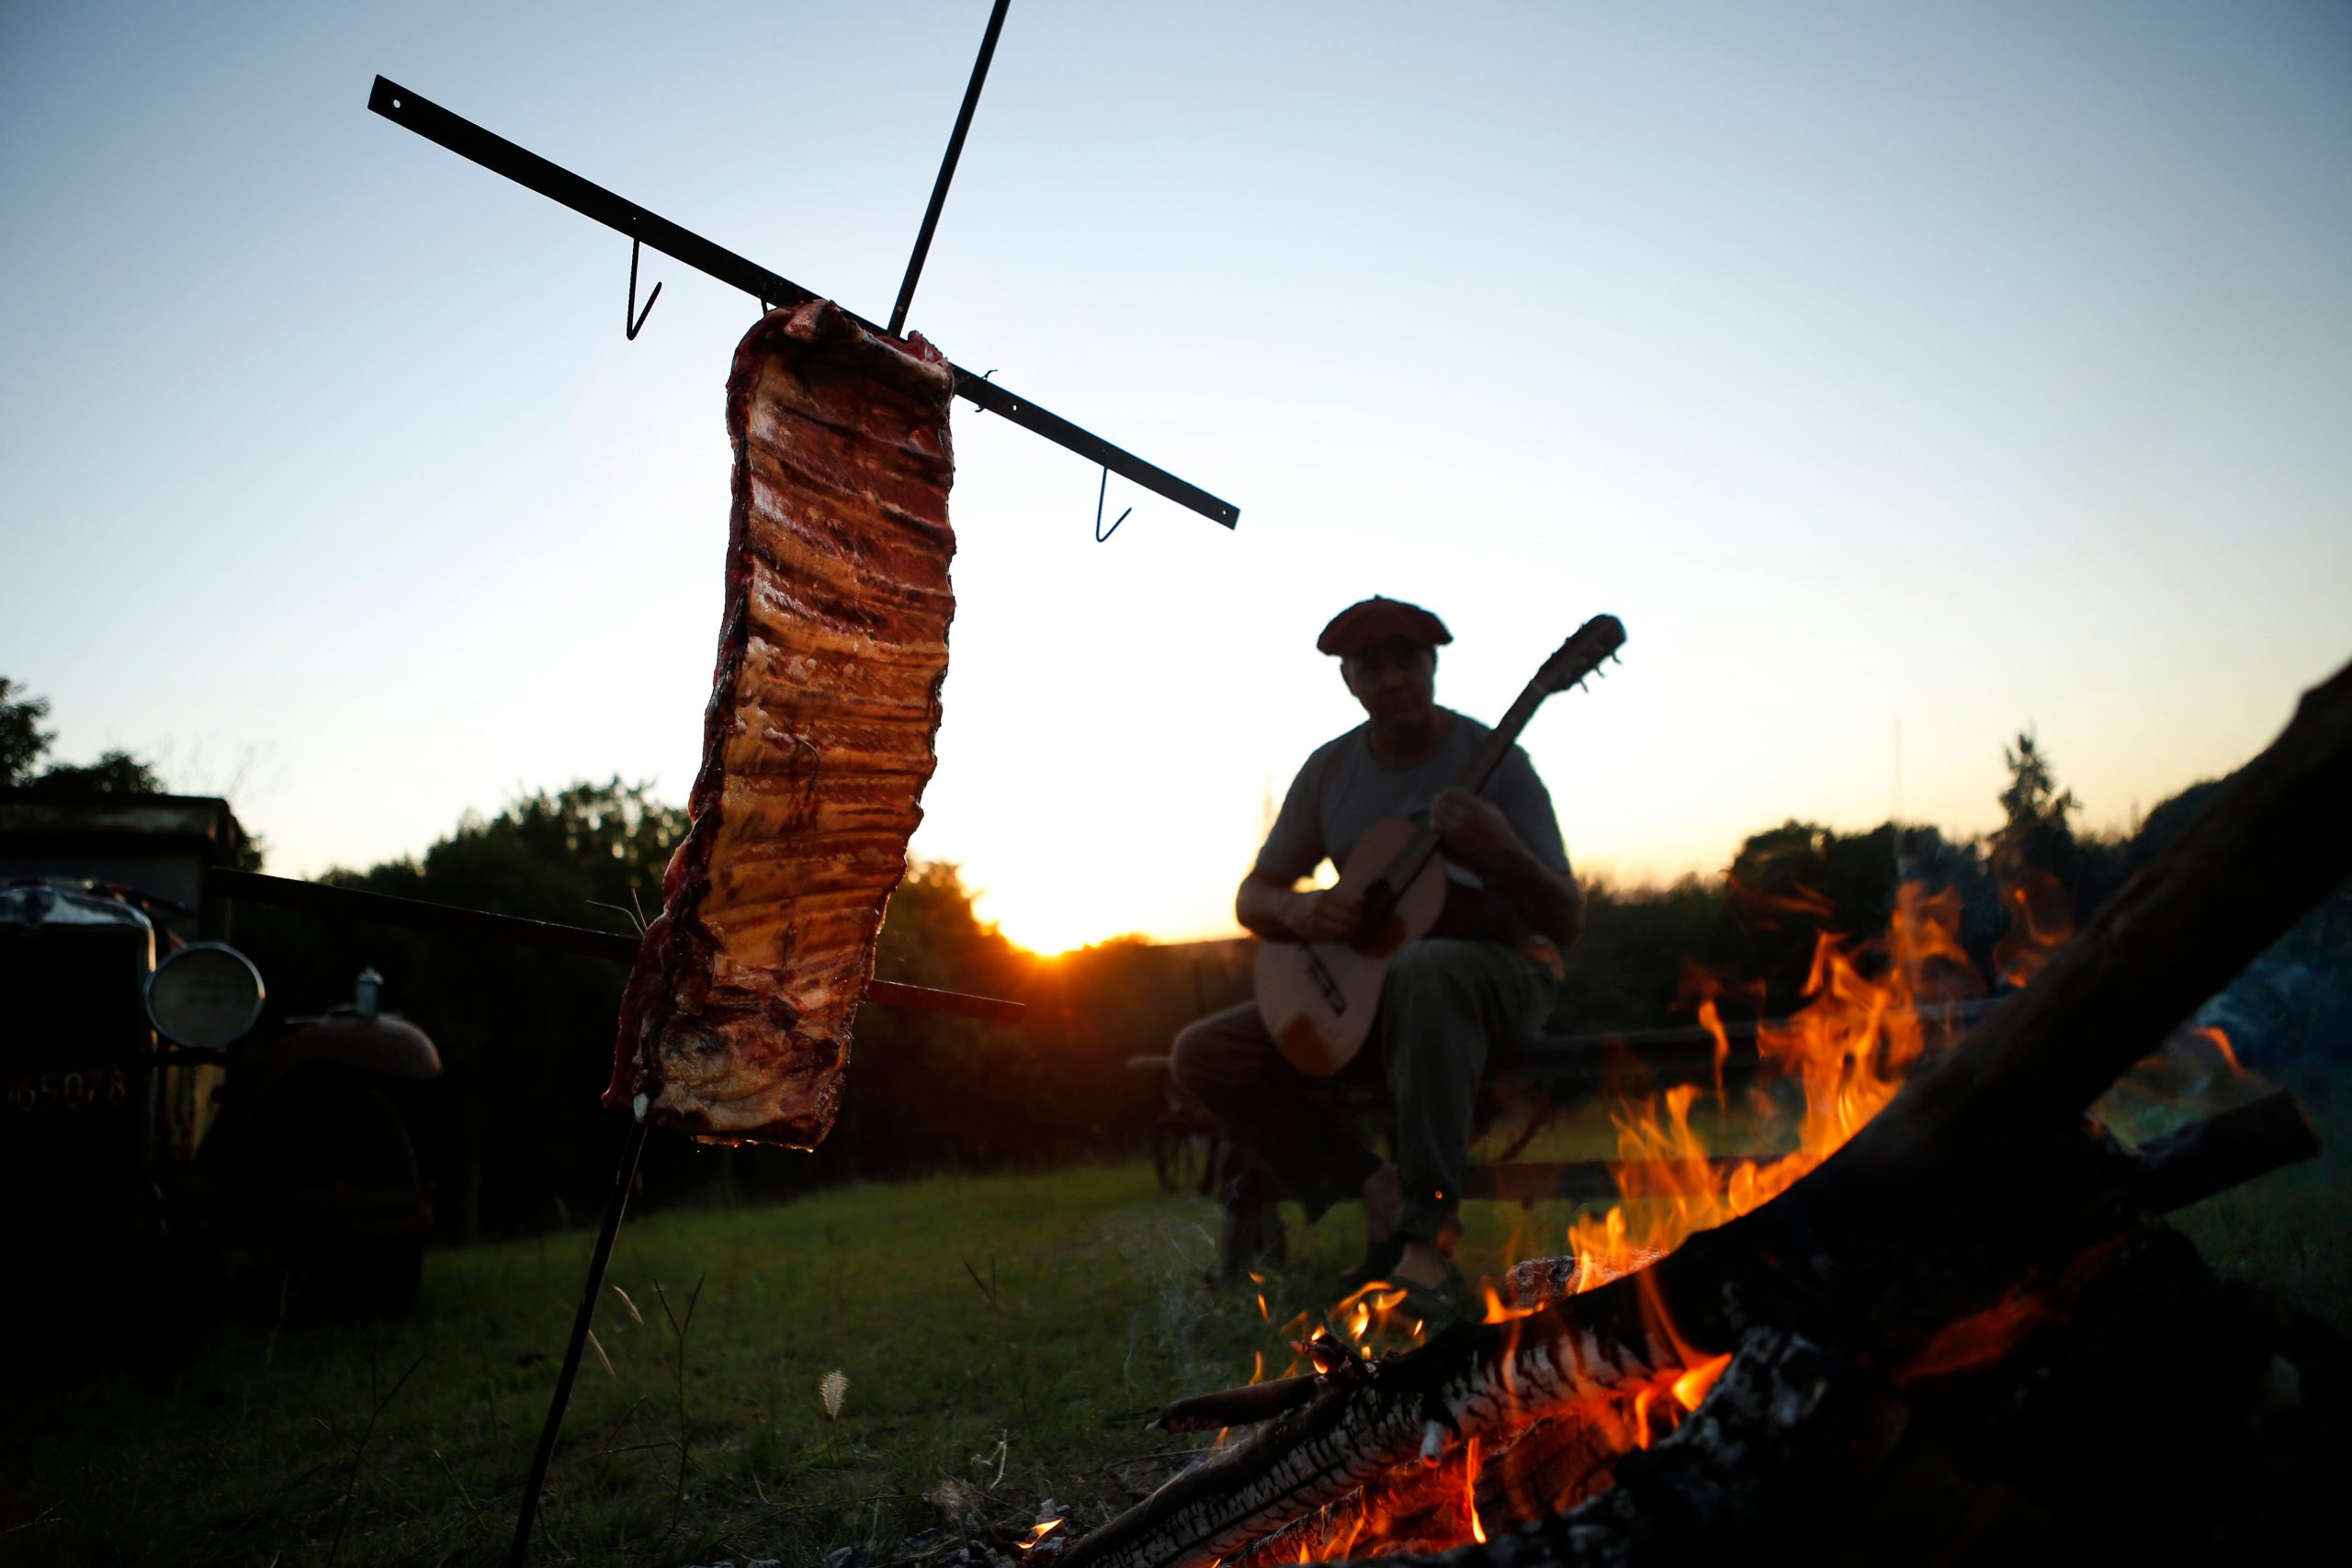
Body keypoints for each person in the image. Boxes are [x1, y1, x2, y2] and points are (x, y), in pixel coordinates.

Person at [1171, 596, 1583, 1298]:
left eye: (1407, 661)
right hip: (1380, 995)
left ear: (1432, 666)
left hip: (1503, 976)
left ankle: (1423, 1241)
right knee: (1203, 1051)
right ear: (1348, 679)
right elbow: (1254, 896)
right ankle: (1370, 1183)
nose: (1392, 678)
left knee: (1426, 968)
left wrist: (1503, 851)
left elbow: (1565, 919)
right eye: (1372, 666)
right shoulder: (1330, 771)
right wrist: (1302, 909)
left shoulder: (1498, 763)